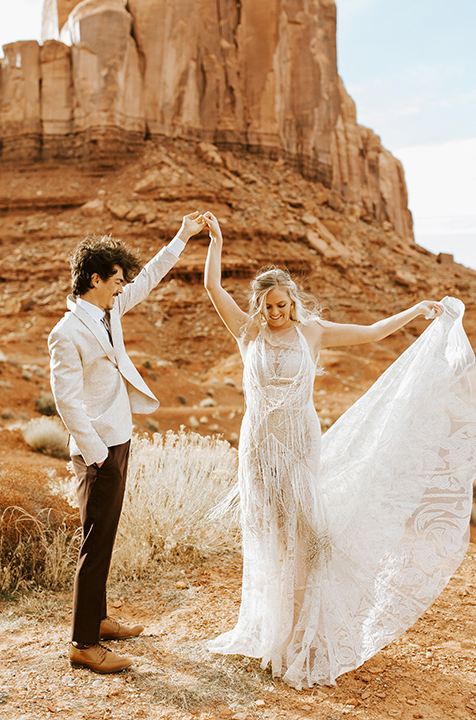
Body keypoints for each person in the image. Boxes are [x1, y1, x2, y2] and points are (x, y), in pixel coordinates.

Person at [202, 210, 476, 689]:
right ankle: (272, 631)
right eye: (268, 306)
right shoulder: (249, 332)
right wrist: (216, 241)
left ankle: (304, 635)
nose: (276, 314)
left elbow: (371, 333)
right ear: (259, 306)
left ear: (293, 301)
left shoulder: (314, 332)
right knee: (271, 537)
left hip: (301, 446)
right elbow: (212, 288)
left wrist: (416, 311)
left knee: (307, 538)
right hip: (259, 449)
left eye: (283, 305)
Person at [49, 211, 205, 674]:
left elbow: (152, 276)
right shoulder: (67, 332)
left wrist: (182, 236)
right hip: (98, 451)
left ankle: (97, 620)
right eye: (116, 280)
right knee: (95, 545)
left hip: (118, 439)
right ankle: (83, 643)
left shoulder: (108, 310)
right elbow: (67, 403)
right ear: (95, 279)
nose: (122, 287)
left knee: (105, 538)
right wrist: (98, 457)